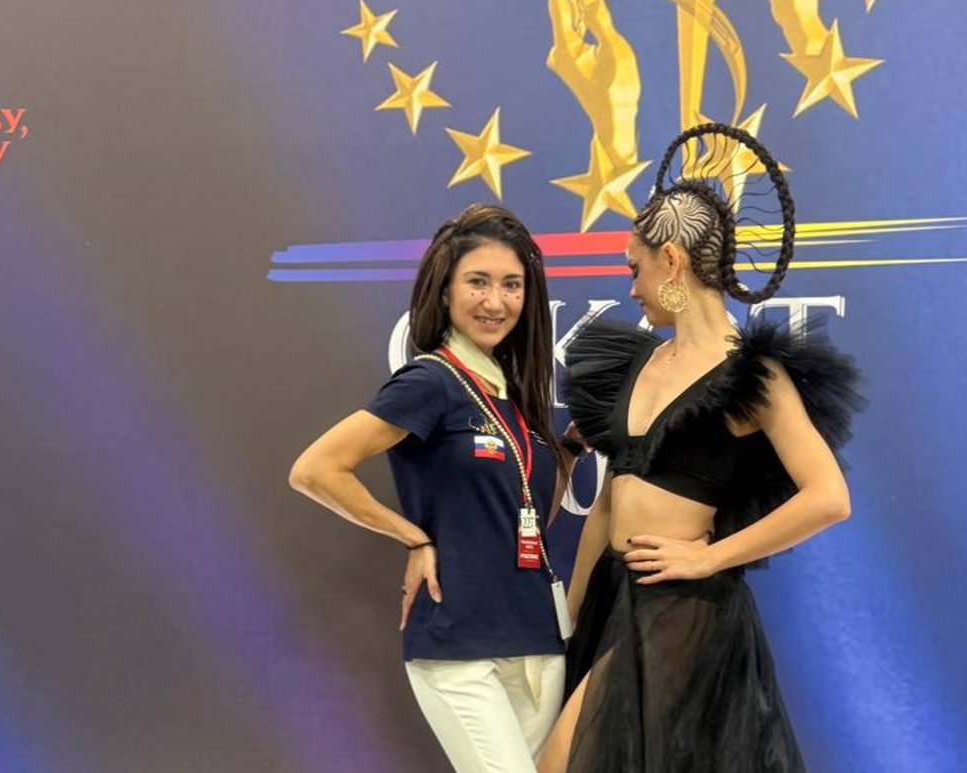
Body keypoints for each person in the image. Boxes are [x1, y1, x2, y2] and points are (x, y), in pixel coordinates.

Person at [536, 124, 865, 773]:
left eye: (634, 268)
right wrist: (569, 620)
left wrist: (709, 556)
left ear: (671, 260)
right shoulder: (637, 362)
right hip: (612, 601)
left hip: (681, 610)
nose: (631, 288)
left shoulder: (752, 376)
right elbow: (609, 503)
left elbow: (829, 497)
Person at [289, 203, 573, 773]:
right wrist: (413, 538)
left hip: (538, 639)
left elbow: (526, 511)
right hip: (458, 643)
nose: (496, 301)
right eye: (478, 282)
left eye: (511, 285)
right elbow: (316, 469)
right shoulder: (430, 382)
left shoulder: (512, 397)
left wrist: (570, 448)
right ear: (445, 291)